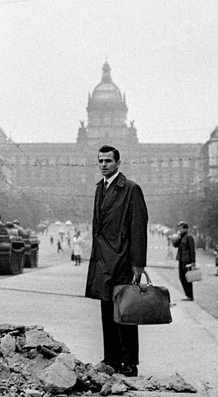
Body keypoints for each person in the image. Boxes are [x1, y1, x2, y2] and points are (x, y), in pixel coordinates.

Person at [85, 145, 148, 377]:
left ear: (118, 164)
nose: (104, 165)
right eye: (100, 161)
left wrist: (138, 264)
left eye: (108, 161)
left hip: (122, 260)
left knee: (126, 312)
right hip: (103, 260)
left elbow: (138, 227)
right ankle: (111, 358)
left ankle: (130, 362)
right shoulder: (99, 188)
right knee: (106, 310)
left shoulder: (131, 188)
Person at [172, 221, 196, 301]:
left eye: (181, 228)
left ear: (185, 229)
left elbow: (192, 250)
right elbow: (175, 245)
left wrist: (193, 261)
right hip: (181, 259)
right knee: (181, 277)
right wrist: (178, 236)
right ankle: (187, 294)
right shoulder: (181, 237)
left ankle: (190, 295)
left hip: (187, 260)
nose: (179, 230)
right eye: (178, 229)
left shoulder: (189, 237)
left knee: (187, 277)